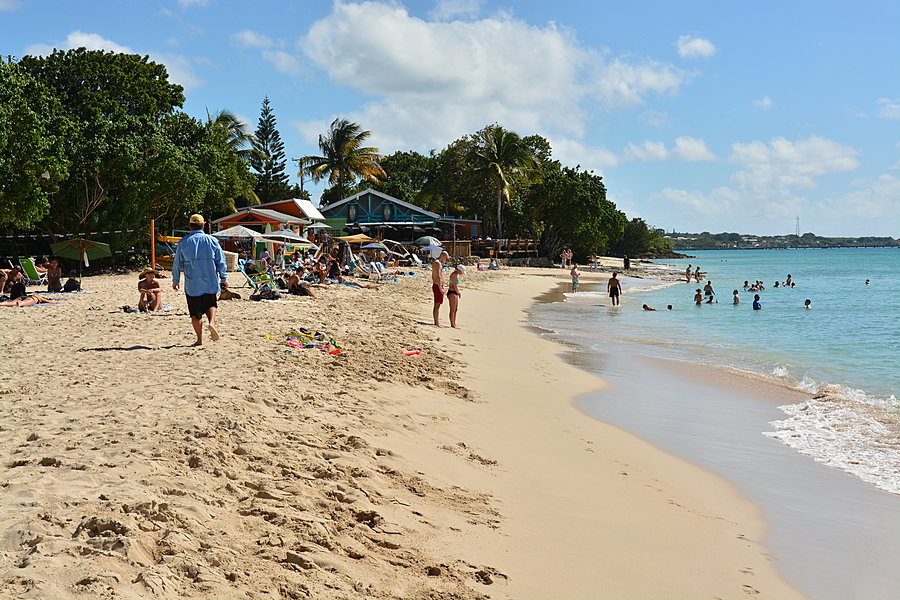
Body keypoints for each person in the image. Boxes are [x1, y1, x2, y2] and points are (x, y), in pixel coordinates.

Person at [172, 214, 228, 346]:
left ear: (190, 226)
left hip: (193, 284)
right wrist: (224, 277)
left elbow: (177, 264)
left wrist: (176, 281)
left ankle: (199, 339)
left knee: (195, 314)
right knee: (211, 304)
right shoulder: (212, 241)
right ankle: (212, 322)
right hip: (210, 281)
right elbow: (221, 261)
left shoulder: (183, 242)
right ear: (203, 225)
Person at [432, 251, 449, 327]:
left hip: (437, 285)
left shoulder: (437, 263)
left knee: (437, 304)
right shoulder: (437, 263)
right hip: (437, 285)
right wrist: (440, 287)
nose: (446, 260)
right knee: (437, 304)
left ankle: (437, 322)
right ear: (444, 256)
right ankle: (437, 322)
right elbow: (438, 276)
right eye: (446, 258)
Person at [448, 264, 465, 329]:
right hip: (452, 292)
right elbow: (454, 285)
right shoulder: (454, 275)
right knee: (452, 309)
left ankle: (454, 323)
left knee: (455, 309)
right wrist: (458, 292)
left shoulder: (457, 274)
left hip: (454, 292)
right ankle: (452, 324)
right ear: (459, 270)